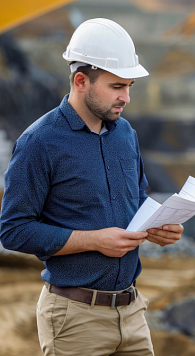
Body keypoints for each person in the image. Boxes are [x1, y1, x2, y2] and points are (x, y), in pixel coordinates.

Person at [0, 18, 183, 356]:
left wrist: (159, 225)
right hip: (74, 321)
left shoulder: (125, 134)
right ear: (81, 80)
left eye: (129, 86)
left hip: (132, 313)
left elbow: (136, 199)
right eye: (117, 87)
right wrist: (94, 240)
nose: (126, 97)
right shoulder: (40, 143)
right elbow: (13, 230)